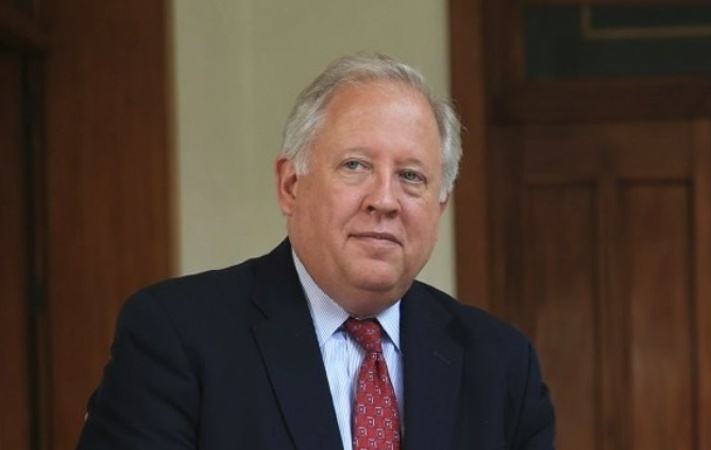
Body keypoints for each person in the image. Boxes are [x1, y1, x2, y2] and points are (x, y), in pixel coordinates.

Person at [76, 52, 556, 450]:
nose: (384, 200)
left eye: (411, 176)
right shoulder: (176, 336)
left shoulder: (502, 365)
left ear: (440, 206)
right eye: (355, 165)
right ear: (290, 186)